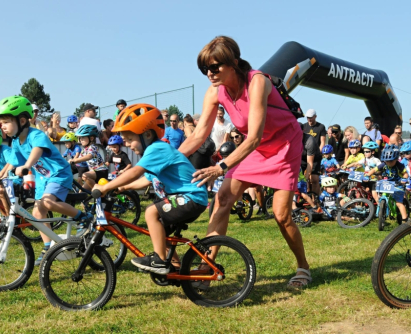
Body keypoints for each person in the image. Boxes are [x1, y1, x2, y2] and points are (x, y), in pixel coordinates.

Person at [179, 35, 311, 288]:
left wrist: (221, 167)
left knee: (281, 215)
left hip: (283, 146)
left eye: (215, 66)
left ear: (234, 63)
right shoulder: (214, 91)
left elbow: (254, 137)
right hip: (256, 149)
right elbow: (198, 135)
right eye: (205, 68)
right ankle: (207, 266)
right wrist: (169, 160)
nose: (209, 72)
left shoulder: (257, 82)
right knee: (222, 199)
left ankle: (303, 267)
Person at [93, 104, 207, 274]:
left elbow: (135, 172)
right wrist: (122, 187)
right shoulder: (153, 153)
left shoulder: (157, 149)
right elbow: (145, 180)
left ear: (147, 134)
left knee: (151, 212)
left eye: (130, 139)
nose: (128, 145)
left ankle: (160, 260)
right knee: (163, 236)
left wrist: (107, 187)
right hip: (186, 197)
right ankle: (175, 269)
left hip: (192, 197)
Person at [0, 96, 92, 266]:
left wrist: (27, 166)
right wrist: (1, 175)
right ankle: (48, 246)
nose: (2, 126)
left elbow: (36, 151)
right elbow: (13, 161)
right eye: (1, 123)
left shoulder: (35, 135)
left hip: (58, 173)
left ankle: (84, 217)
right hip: (42, 178)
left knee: (48, 202)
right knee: (38, 213)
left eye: (6, 122)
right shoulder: (16, 141)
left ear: (22, 120)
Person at [365, 144, 408, 222]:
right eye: (386, 161)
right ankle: (383, 208)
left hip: (398, 184)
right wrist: (368, 175)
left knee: (399, 203)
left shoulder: (399, 165)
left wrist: (404, 179)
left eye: (391, 161)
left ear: (396, 159)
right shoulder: (384, 164)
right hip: (388, 183)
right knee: (382, 192)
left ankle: (405, 220)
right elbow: (374, 169)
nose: (388, 163)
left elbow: (405, 174)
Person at [73, 125, 108, 190]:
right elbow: (78, 159)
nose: (81, 140)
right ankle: (99, 195)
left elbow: (89, 156)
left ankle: (99, 192)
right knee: (82, 191)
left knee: (85, 176)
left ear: (91, 138)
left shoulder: (92, 147)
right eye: (80, 138)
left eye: (83, 138)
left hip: (101, 171)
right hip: (93, 172)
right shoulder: (84, 150)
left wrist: (74, 161)